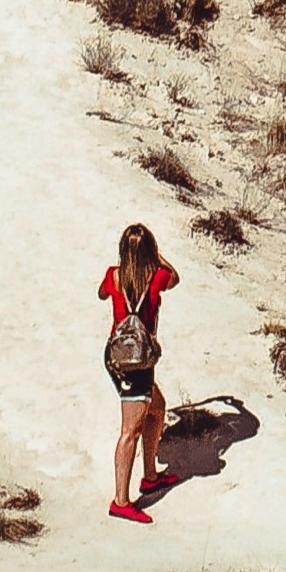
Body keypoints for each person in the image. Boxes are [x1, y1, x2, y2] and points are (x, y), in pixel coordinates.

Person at [102, 221, 178, 524]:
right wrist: (157, 255)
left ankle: (149, 475)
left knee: (156, 409)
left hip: (116, 356)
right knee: (130, 430)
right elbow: (175, 277)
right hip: (139, 361)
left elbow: (101, 293)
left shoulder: (113, 276)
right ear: (149, 250)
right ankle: (121, 501)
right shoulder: (156, 277)